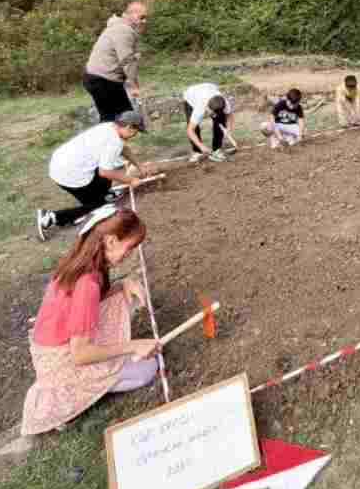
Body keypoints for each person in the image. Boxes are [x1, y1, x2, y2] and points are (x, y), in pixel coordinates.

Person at [21, 206, 162, 435]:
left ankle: (101, 372)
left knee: (124, 299)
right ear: (111, 241)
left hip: (50, 347)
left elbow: (92, 302)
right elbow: (81, 354)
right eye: (129, 248)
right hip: (61, 361)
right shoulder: (87, 283)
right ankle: (76, 393)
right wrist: (134, 345)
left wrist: (124, 284)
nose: (129, 254)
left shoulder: (82, 261)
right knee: (147, 369)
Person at [36, 111, 150, 241]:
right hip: (68, 174)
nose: (135, 135)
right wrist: (131, 180)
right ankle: (51, 218)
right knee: (100, 207)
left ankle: (103, 195)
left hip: (62, 163)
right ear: (129, 127)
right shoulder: (113, 142)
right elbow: (105, 172)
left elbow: (123, 149)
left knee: (111, 167)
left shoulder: (110, 127)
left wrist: (139, 166)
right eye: (136, 131)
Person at [83, 2, 147, 123]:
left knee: (113, 118)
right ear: (130, 14)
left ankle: (109, 134)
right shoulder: (124, 30)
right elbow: (127, 60)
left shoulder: (119, 27)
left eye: (145, 18)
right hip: (102, 80)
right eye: (142, 17)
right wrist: (134, 86)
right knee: (123, 119)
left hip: (96, 78)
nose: (144, 21)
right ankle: (109, 135)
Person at [183, 82, 236, 163]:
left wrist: (228, 129)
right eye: (212, 113)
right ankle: (197, 152)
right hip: (190, 95)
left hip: (209, 87)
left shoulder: (224, 102)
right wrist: (201, 146)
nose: (213, 115)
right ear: (208, 108)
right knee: (194, 127)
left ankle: (217, 149)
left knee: (220, 119)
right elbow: (190, 130)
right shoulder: (200, 107)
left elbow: (229, 115)